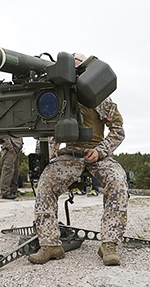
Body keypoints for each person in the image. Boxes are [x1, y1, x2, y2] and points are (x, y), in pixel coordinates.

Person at [28, 53, 128, 266]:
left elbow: (118, 130)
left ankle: (108, 244)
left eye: (76, 68)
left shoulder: (98, 96)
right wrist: (51, 148)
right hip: (70, 155)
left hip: (96, 154)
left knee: (117, 181)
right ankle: (50, 244)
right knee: (46, 183)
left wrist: (101, 151)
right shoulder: (58, 97)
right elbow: (45, 128)